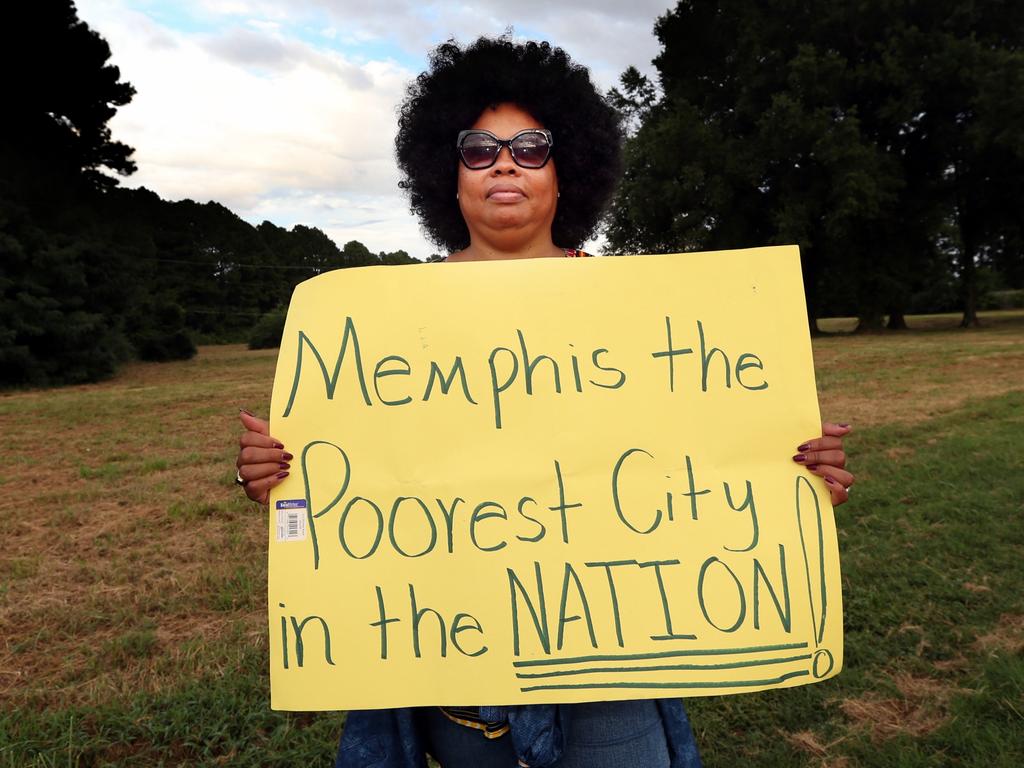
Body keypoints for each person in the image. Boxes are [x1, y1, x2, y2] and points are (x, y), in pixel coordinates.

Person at [235, 36, 855, 768]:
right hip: (451, 670)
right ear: (448, 173)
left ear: (566, 173)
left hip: (609, 685)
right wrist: (278, 475)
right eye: (479, 149)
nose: (505, 162)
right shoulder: (384, 325)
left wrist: (795, 472)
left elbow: (701, 458)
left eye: (531, 147)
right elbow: (352, 485)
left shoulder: (646, 313)